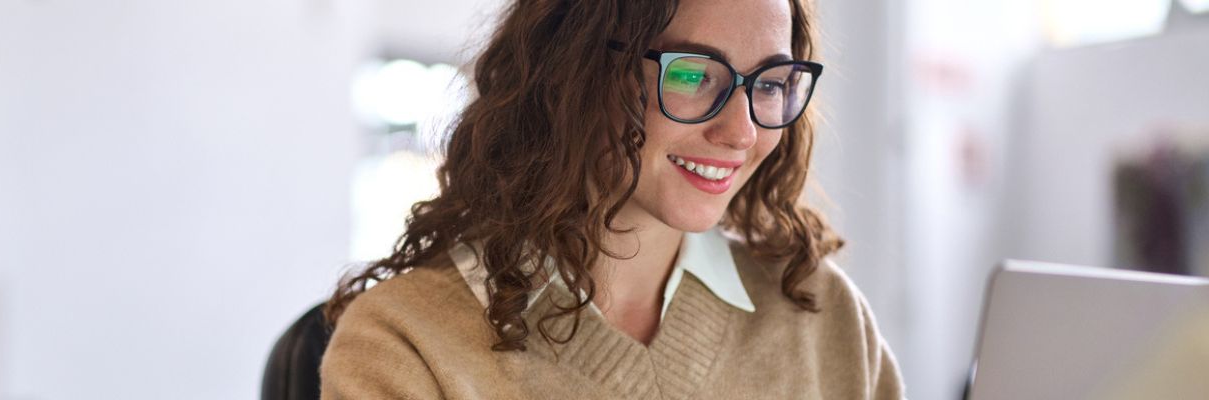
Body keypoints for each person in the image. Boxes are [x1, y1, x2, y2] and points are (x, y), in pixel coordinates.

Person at [320, 0, 906, 398]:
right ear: (573, 73)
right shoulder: (407, 345)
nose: (742, 133)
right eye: (693, 75)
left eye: (771, 83)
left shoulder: (822, 314)